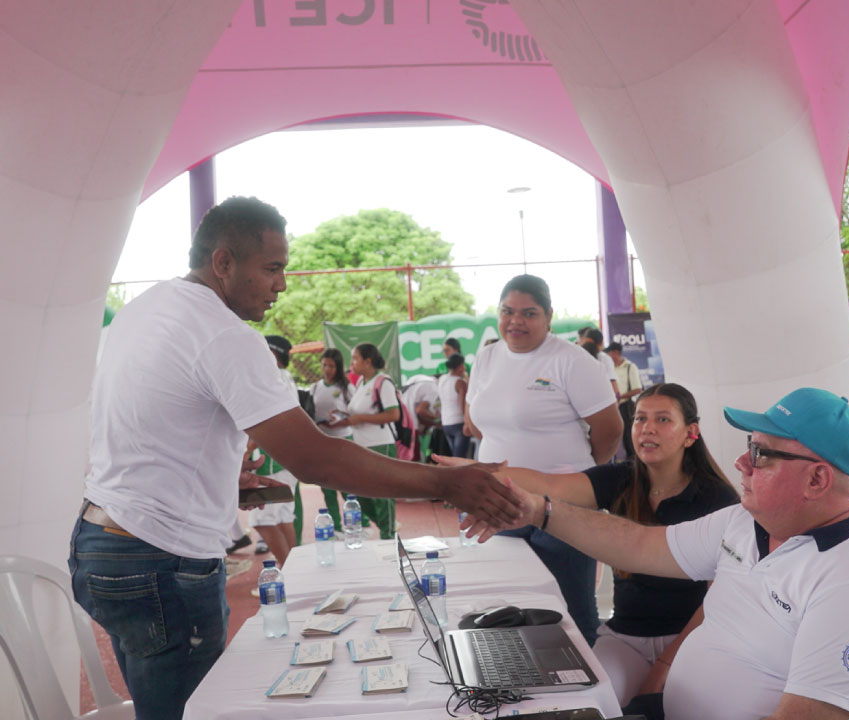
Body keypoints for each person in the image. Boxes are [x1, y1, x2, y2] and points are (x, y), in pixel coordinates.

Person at [68, 196, 521, 720]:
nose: (282, 284)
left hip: (101, 543)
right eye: (272, 268)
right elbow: (316, 461)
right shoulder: (225, 335)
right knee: (187, 712)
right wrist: (448, 484)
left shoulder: (144, 309)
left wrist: (216, 476)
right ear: (223, 263)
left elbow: (141, 423)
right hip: (161, 559)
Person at [463, 387, 849, 720]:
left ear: (816, 480)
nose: (742, 462)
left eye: (760, 454)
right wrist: (536, 510)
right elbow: (639, 544)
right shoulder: (745, 523)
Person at [438, 383, 738, 704]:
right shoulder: (620, 479)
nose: (647, 429)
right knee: (593, 702)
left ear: (690, 433)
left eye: (663, 420)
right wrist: (477, 473)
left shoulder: (718, 499)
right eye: (639, 419)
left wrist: (664, 664)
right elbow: (547, 484)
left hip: (692, 640)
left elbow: (719, 597)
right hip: (626, 638)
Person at [466, 275, 622, 644]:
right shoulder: (486, 357)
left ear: (549, 316)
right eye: (507, 311)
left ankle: (585, 691)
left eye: (529, 313)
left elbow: (610, 429)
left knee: (570, 608)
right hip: (497, 503)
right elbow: (476, 422)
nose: (515, 321)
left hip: (561, 506)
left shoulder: (572, 361)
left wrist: (582, 475)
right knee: (504, 608)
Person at [327, 342, 401, 539]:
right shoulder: (361, 383)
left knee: (382, 494)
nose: (352, 363)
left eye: (355, 359)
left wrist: (360, 419)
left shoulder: (383, 382)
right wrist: (343, 416)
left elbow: (393, 415)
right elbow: (359, 412)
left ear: (368, 362)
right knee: (356, 490)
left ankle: (388, 535)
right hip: (361, 445)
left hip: (380, 443)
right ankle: (387, 525)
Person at [245, 335, 299, 567]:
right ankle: (296, 570)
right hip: (287, 459)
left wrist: (248, 448)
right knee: (283, 516)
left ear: (272, 354)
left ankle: (288, 572)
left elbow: (271, 420)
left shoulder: (270, 377)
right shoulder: (285, 378)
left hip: (272, 462)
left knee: (262, 519)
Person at [299, 347, 354, 536]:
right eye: (324, 365)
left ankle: (355, 523)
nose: (327, 369)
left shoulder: (346, 388)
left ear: (338, 367)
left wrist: (340, 418)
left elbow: (355, 413)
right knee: (327, 485)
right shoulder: (315, 387)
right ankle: (335, 526)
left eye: (331, 366)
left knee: (348, 484)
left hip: (343, 438)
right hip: (322, 439)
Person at [606, 341, 644, 459]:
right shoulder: (608, 368)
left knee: (629, 439)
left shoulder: (629, 367)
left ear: (616, 353)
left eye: (609, 353)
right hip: (611, 408)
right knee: (611, 440)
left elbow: (638, 389)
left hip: (625, 407)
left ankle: (634, 465)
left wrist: (618, 397)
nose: (607, 357)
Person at [402, 373, 440, 462]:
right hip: (412, 425)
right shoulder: (434, 387)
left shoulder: (418, 379)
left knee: (406, 458)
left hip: (402, 422)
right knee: (415, 459)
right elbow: (420, 410)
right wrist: (435, 419)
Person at [438, 353, 470, 457]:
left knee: (455, 457)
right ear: (460, 366)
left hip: (446, 423)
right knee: (460, 459)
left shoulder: (442, 379)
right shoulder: (460, 383)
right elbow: (463, 406)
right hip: (459, 424)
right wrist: (468, 423)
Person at [579, 326, 620, 399]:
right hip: (600, 401)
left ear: (583, 340)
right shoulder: (604, 359)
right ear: (601, 343)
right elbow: (614, 387)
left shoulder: (577, 357)